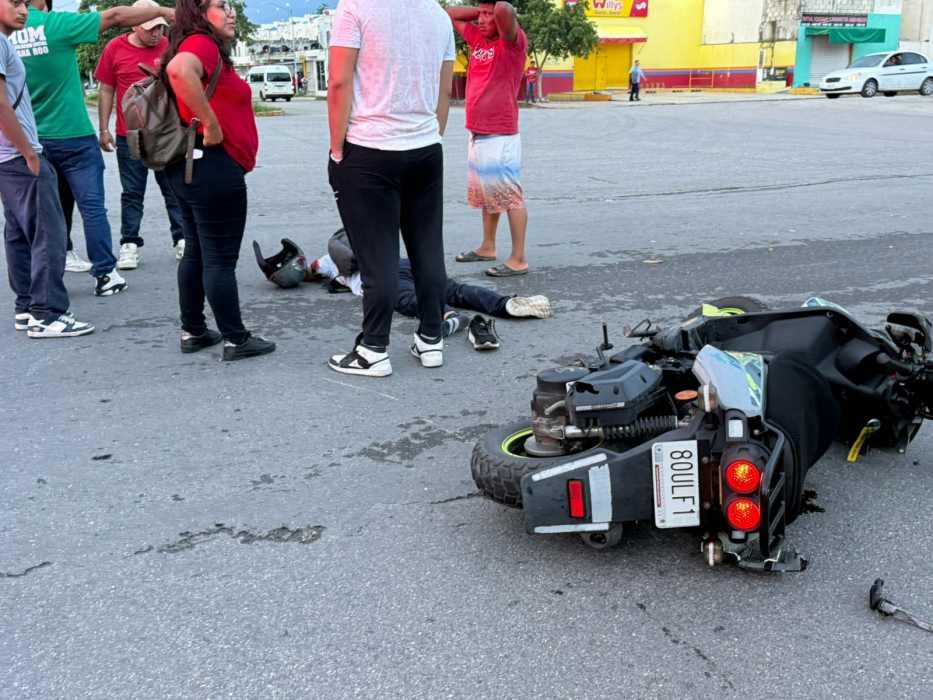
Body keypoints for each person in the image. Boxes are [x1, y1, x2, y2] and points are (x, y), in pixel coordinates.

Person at [327, 0, 455, 377]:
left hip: (370, 148)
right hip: (426, 148)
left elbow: (338, 82)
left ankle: (373, 349)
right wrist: (431, 136)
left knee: (377, 255)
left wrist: (337, 149)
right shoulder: (438, 15)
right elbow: (444, 92)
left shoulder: (355, 8)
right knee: (428, 248)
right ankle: (432, 338)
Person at [12, 0, 174, 296]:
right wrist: (162, 11)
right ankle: (104, 274)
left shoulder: (6, 35)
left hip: (31, 140)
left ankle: (41, 284)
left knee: (45, 214)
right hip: (73, 135)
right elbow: (114, 16)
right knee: (92, 208)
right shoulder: (57, 25)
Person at [163, 0, 275, 361]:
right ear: (198, 12)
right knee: (219, 259)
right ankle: (236, 339)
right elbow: (180, 71)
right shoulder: (201, 44)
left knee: (197, 250)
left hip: (188, 166)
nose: (231, 12)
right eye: (220, 5)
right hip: (211, 168)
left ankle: (193, 330)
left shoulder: (194, 43)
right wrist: (210, 124)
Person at [0, 0, 93, 338]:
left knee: (18, 233)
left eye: (26, 3)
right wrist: (27, 150)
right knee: (48, 233)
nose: (23, 9)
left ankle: (27, 307)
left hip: (7, 158)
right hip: (16, 156)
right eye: (14, 2)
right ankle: (47, 313)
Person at [306, 229, 552, 350]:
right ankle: (505, 303)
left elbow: (309, 269)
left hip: (385, 277)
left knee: (407, 299)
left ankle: (448, 316)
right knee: (455, 289)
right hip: (405, 264)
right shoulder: (375, 242)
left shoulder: (331, 259)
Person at [95, 0, 185, 271]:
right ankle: (129, 244)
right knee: (132, 193)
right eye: (150, 28)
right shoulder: (115, 48)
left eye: (159, 27)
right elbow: (106, 90)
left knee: (173, 188)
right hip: (129, 136)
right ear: (134, 24)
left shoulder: (169, 46)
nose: (156, 33)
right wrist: (104, 128)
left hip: (164, 134)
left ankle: (181, 238)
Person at [448, 1, 529, 278]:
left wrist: (494, 10)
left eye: (487, 15)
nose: (481, 20)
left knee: (510, 197)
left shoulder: (512, 42)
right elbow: (447, 15)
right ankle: (488, 246)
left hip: (500, 134)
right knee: (486, 196)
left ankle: (518, 259)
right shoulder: (478, 39)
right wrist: (480, 10)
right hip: (477, 132)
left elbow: (506, 10)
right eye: (479, 15)